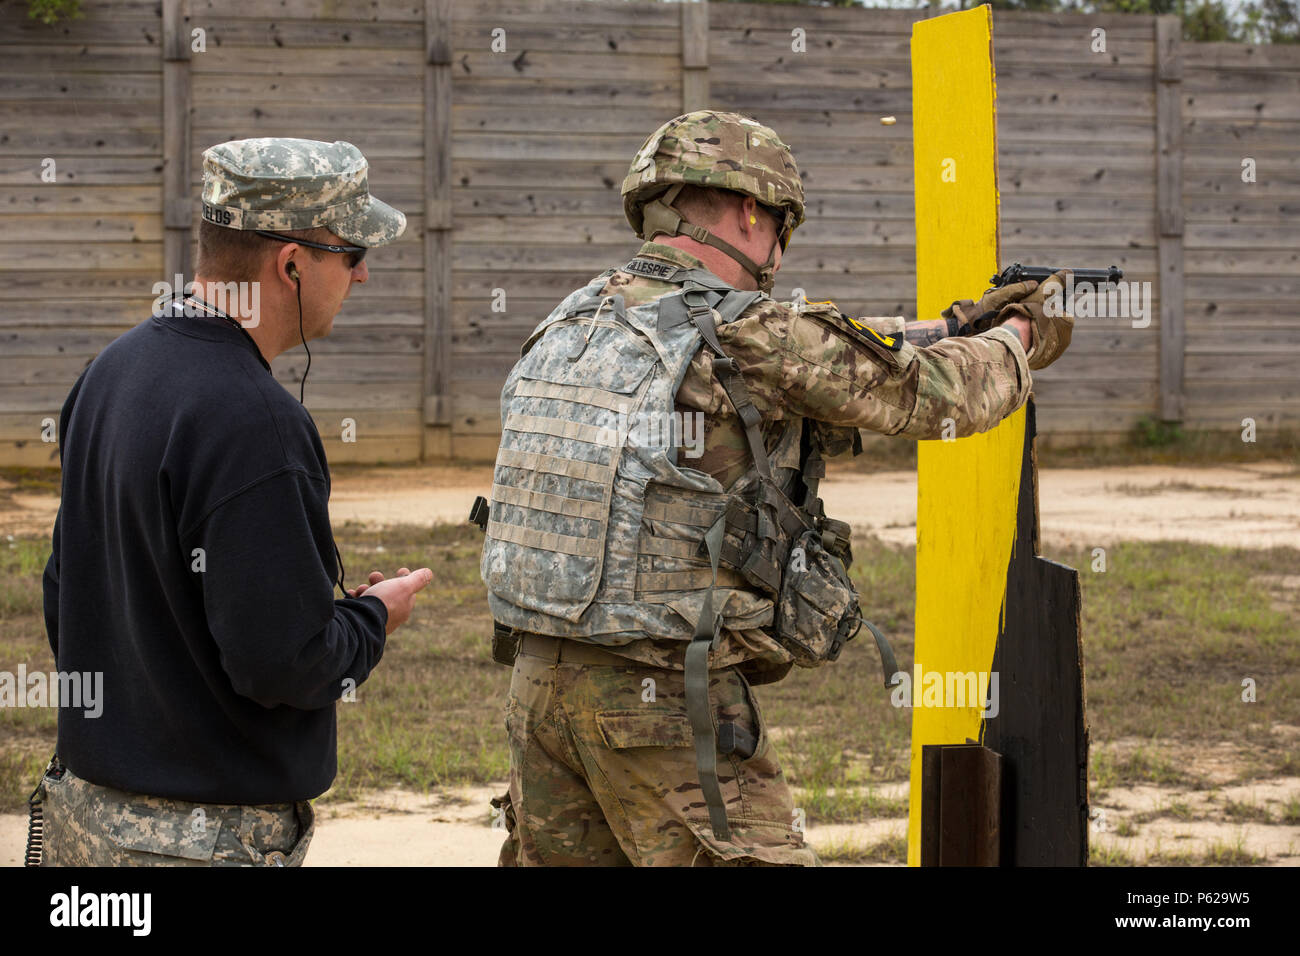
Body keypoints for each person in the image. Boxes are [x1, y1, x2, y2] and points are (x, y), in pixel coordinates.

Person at [479, 111, 1074, 867]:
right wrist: (1024, 335)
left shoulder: (573, 320)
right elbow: (939, 396)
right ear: (753, 211)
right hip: (661, 702)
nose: (779, 254)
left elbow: (837, 349)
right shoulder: (746, 333)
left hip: (541, 690)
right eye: (780, 228)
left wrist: (955, 320)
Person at [34, 137, 433, 867]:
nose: (364, 274)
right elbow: (285, 665)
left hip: (83, 822)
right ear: (291, 263)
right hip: (202, 845)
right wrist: (375, 618)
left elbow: (68, 594)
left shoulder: (110, 372)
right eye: (351, 253)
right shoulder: (257, 422)